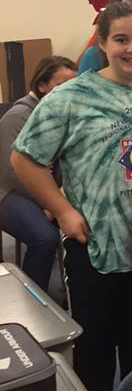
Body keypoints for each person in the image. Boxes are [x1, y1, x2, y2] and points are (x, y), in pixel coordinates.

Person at [11, 3, 132, 391]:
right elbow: (24, 158)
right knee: (94, 353)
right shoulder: (70, 97)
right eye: (121, 39)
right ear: (102, 42)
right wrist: (62, 210)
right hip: (98, 245)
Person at [0, 57, 76, 291]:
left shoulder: (60, 114)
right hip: (8, 191)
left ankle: (77, 290)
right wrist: (50, 201)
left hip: (45, 190)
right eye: (62, 84)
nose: (70, 91)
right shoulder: (18, 116)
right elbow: (11, 172)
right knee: (44, 239)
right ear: (42, 85)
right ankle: (33, 299)